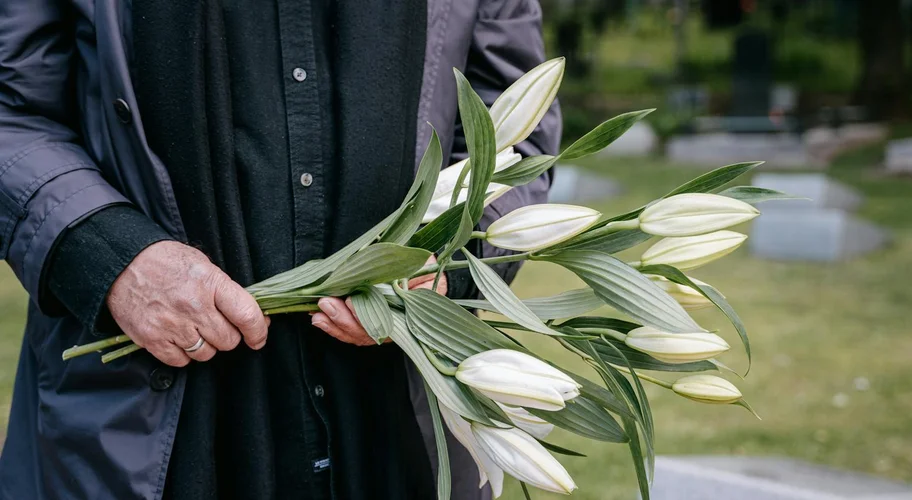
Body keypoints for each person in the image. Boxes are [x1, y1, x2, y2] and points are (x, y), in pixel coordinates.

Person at [0, 0, 560, 498]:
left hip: (394, 415)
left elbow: (510, 131)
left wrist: (448, 266)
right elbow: (11, 110)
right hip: (146, 419)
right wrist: (109, 255)